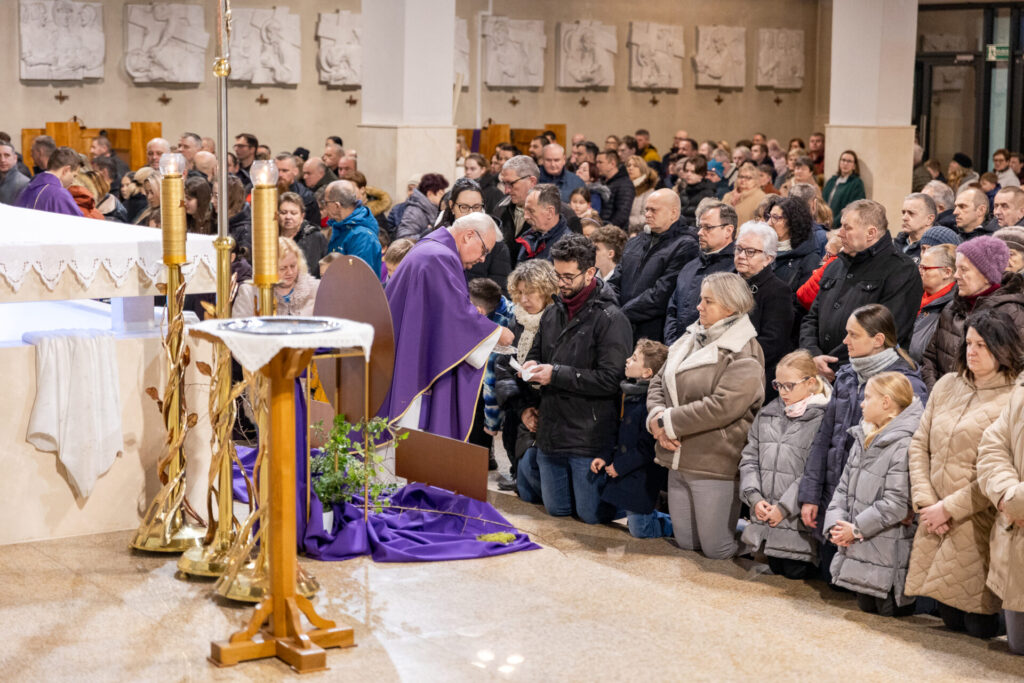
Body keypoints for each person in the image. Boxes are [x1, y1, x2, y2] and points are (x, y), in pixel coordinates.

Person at [907, 310, 1020, 639]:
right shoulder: (947, 384)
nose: (972, 351)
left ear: (1003, 347)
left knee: (979, 626)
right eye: (969, 343)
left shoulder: (1015, 396)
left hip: (978, 521)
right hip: (934, 518)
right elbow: (919, 445)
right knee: (949, 623)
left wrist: (949, 508)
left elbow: (1001, 469)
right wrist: (927, 502)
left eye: (982, 345)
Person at [799, 305, 927, 584]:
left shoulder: (906, 385)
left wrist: (909, 504)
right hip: (838, 497)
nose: (845, 341)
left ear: (878, 340)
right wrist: (810, 494)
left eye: (853, 335)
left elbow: (915, 450)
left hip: (876, 507)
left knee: (863, 589)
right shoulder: (846, 376)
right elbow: (824, 437)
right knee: (831, 579)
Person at [515, 235, 632, 524]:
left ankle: (635, 506)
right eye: (557, 275)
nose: (561, 283)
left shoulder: (611, 318)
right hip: (552, 430)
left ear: (590, 272)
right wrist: (531, 366)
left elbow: (611, 379)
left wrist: (555, 374)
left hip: (587, 435)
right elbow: (538, 353)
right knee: (556, 510)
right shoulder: (553, 312)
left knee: (590, 514)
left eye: (568, 276)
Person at [647, 272, 765, 558]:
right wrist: (656, 417)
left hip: (714, 461)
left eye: (708, 301)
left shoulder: (745, 351)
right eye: (701, 299)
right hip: (677, 456)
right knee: (686, 543)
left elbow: (722, 406)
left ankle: (758, 546)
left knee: (716, 549)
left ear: (730, 307)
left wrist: (668, 422)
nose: (699, 306)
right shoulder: (689, 337)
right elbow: (658, 381)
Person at [381, 213, 515, 440]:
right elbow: (455, 316)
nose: (483, 259)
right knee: (411, 445)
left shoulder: (432, 249)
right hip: (412, 365)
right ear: (469, 235)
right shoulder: (439, 257)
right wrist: (495, 332)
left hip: (405, 355)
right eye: (484, 250)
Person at [824, 371, 922, 617]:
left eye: (868, 398)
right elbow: (842, 488)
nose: (862, 403)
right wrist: (836, 525)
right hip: (859, 551)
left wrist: (856, 529)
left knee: (886, 621)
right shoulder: (863, 436)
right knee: (863, 614)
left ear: (886, 402)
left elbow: (896, 503)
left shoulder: (905, 444)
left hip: (888, 559)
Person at [800, 200, 922, 379]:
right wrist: (813, 355)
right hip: (820, 372)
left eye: (847, 228)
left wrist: (833, 365)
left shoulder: (901, 270)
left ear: (871, 233)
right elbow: (812, 317)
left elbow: (888, 332)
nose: (839, 233)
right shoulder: (836, 266)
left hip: (868, 378)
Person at [740, 350, 831, 579]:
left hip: (797, 526)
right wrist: (754, 497)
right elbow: (749, 458)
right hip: (766, 522)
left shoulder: (823, 419)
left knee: (794, 577)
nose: (782, 392)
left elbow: (813, 472)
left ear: (811, 383)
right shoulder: (767, 414)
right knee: (772, 575)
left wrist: (784, 508)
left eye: (789, 386)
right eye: (778, 385)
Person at [591, 338, 673, 539]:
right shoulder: (629, 393)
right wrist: (605, 456)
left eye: (634, 358)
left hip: (641, 473)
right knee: (635, 521)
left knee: (640, 529)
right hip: (626, 470)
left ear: (647, 373)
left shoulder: (651, 403)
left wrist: (620, 466)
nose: (627, 360)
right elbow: (617, 432)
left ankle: (675, 527)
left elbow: (647, 448)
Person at [921, 236, 1024, 389]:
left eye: (963, 269)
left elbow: (1015, 373)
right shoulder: (951, 308)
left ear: (987, 274)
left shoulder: (1013, 313)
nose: (956, 275)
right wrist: (937, 393)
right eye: (957, 269)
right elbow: (930, 358)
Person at [494, 259, 559, 490]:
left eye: (530, 292)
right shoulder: (517, 319)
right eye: (519, 292)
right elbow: (503, 367)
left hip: (550, 407)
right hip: (520, 405)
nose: (523, 299)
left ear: (546, 290)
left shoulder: (559, 320)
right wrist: (522, 410)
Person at [977, 355, 1024, 656]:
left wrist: (1018, 501)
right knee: (1018, 646)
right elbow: (992, 447)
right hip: (1016, 545)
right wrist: (1006, 494)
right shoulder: (1021, 390)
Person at [616, 189, 699, 343]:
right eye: (646, 210)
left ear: (673, 213)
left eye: (653, 210)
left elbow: (661, 294)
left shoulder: (686, 245)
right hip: (621, 328)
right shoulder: (635, 242)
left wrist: (620, 314)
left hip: (652, 334)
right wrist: (613, 310)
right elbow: (615, 281)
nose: (647, 214)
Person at [734, 222, 794, 400]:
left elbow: (772, 343)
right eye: (739, 249)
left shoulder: (777, 291)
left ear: (769, 258)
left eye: (750, 252)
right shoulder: (726, 282)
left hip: (753, 374)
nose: (741, 256)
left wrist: (733, 360)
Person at [664, 202, 737, 344]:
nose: (699, 232)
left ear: (728, 231)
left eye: (707, 227)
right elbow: (673, 308)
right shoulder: (690, 266)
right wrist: (673, 344)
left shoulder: (735, 269)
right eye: (700, 227)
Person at [467, 277, 514, 466]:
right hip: (496, 381)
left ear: (479, 310)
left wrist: (491, 424)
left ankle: (481, 458)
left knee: (478, 401)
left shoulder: (501, 327)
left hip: (502, 384)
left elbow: (490, 383)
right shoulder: (502, 306)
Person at [438, 177, 511, 292]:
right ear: (452, 206)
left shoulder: (496, 246)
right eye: (464, 207)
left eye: (477, 207)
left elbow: (499, 292)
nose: (471, 213)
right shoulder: (435, 238)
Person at [234, 236, 320, 317]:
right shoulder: (249, 292)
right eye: (283, 268)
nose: (290, 272)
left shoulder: (315, 289)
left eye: (293, 266)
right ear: (268, 268)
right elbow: (239, 325)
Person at [909, 244, 957, 364]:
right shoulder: (914, 296)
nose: (919, 272)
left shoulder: (954, 308)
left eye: (925, 268)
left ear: (947, 272)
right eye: (920, 267)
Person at [324, 179, 382, 277]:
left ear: (337, 206)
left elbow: (359, 279)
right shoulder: (340, 228)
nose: (325, 207)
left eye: (326, 203)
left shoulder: (363, 237)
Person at [766, 196, 819, 294]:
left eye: (775, 218)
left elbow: (803, 298)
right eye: (769, 216)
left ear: (792, 222)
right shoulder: (761, 248)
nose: (768, 223)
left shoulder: (809, 259)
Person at [492, 155, 541, 258]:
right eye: (504, 183)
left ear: (532, 181)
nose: (506, 191)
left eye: (511, 183)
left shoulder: (557, 214)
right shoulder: (500, 209)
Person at [14, 146, 82, 217]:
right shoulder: (59, 195)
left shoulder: (25, 190)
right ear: (66, 170)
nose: (73, 181)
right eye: (74, 176)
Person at [516, 184, 571, 265]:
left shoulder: (567, 247)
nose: (526, 217)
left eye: (531, 211)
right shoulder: (529, 237)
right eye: (525, 210)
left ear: (550, 212)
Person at [278, 191, 328, 278]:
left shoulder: (316, 238)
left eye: (293, 213)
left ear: (302, 216)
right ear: (277, 215)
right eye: (283, 212)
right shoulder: (269, 237)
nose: (288, 217)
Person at [822, 150, 866, 228]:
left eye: (849, 161)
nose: (845, 163)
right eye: (843, 160)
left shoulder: (856, 183)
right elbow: (822, 201)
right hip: (824, 223)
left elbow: (853, 207)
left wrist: (833, 223)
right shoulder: (832, 180)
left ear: (854, 166)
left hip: (841, 226)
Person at [396, 173, 448, 240]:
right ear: (430, 194)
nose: (443, 196)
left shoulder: (434, 208)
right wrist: (428, 234)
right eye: (441, 193)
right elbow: (404, 238)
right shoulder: (414, 211)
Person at [275, 153, 320, 227]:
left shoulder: (306, 197)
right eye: (277, 170)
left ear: (295, 171)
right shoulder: (266, 194)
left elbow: (313, 227)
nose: (280, 175)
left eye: (285, 171)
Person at [894, 192, 941, 263]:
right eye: (903, 212)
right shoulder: (894, 244)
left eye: (911, 213)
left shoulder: (938, 249)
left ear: (929, 219)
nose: (904, 218)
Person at [595, 149, 635, 229]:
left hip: (614, 231)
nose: (597, 165)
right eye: (596, 162)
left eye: (600, 162)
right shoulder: (602, 182)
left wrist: (606, 229)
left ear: (612, 164)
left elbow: (622, 214)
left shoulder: (625, 184)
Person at [722, 161, 767, 226]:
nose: (743, 180)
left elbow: (759, 223)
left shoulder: (761, 197)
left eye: (748, 178)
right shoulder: (728, 196)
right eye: (741, 176)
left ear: (756, 180)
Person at [676, 155, 717, 226]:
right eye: (687, 171)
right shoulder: (683, 192)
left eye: (693, 172)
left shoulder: (708, 194)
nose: (688, 174)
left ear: (702, 174)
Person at [626, 156, 659, 234]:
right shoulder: (625, 187)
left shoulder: (648, 191)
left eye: (635, 166)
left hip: (639, 232)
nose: (630, 168)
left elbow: (646, 216)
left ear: (642, 169)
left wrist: (626, 220)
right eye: (628, 165)